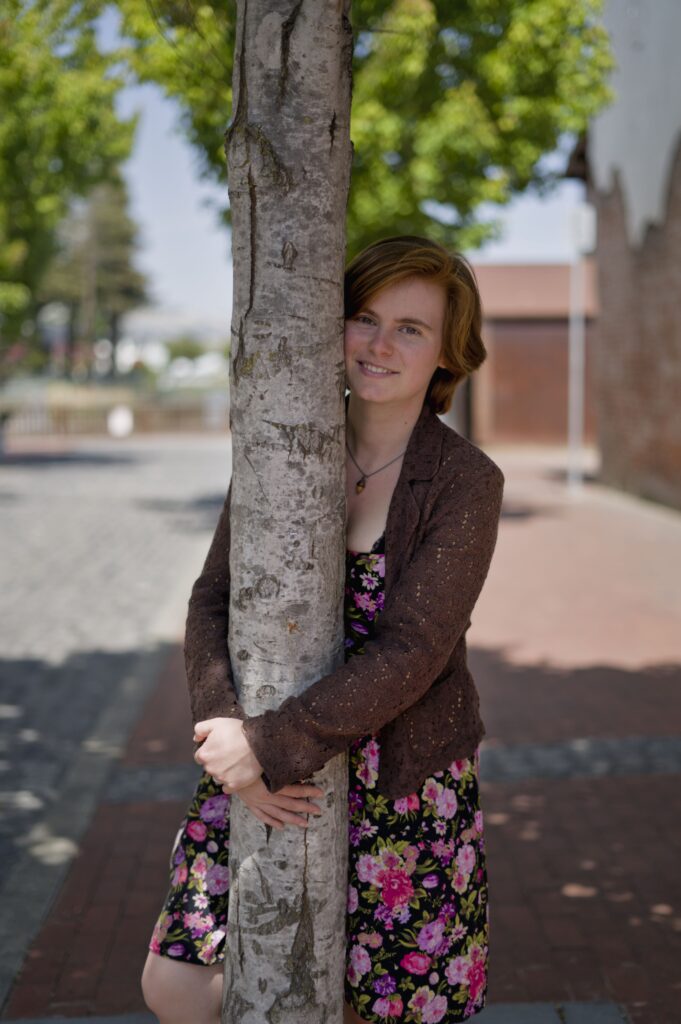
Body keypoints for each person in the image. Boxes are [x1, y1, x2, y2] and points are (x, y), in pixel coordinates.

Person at [141, 235, 505, 1024]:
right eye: (364, 317)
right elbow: (212, 598)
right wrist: (227, 733)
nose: (378, 344)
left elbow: (412, 651)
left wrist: (271, 747)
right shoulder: (279, 449)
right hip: (258, 765)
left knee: (374, 1007)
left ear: (446, 351)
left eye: (410, 328)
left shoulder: (466, 482)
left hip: (399, 780)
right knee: (175, 990)